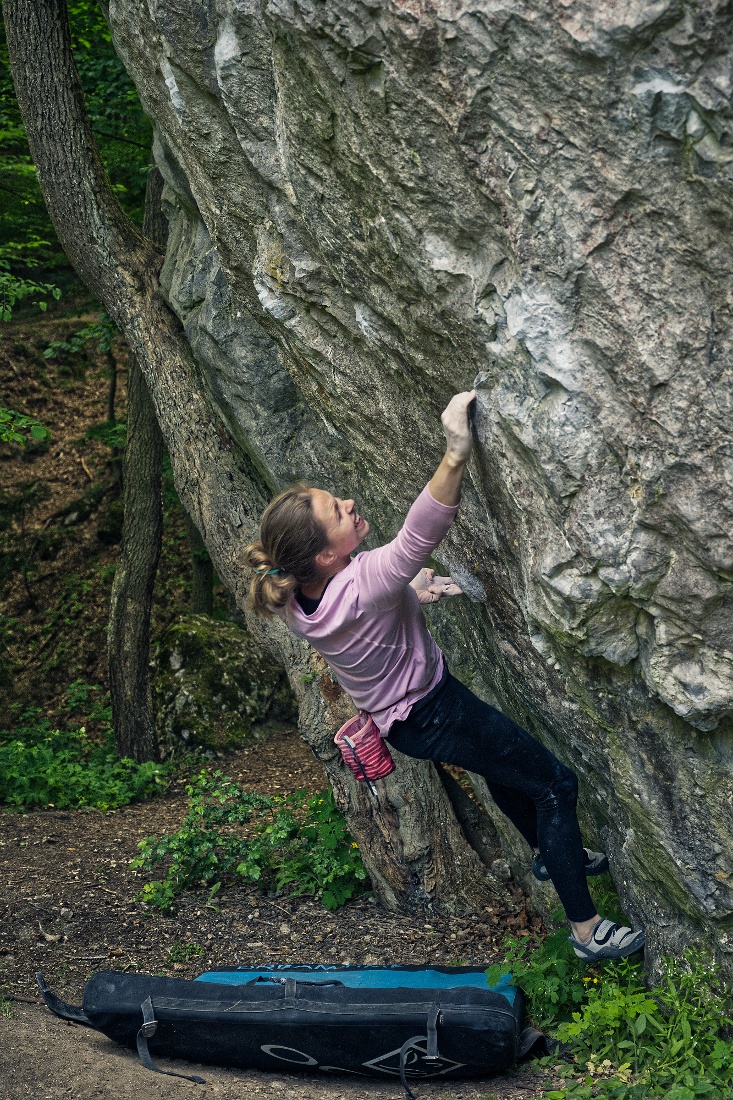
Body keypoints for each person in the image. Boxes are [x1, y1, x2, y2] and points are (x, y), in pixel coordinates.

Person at [245, 390, 645, 962]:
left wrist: (411, 594)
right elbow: (417, 536)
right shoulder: (363, 585)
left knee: (505, 772)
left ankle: (548, 851)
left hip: (412, 721)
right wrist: (455, 452)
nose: (351, 503)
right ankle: (587, 930)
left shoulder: (295, 598)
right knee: (555, 784)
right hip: (433, 710)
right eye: (339, 512)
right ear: (327, 557)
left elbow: (364, 619)